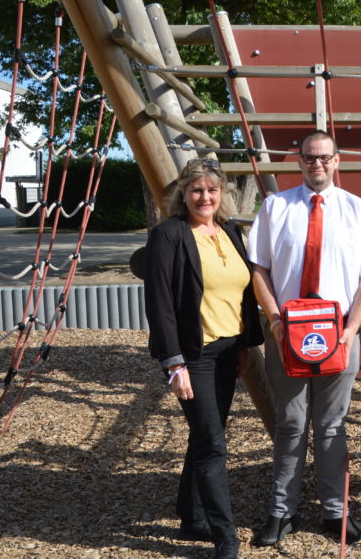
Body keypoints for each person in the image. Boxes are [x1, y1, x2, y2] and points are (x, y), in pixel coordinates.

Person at [248, 130, 361, 546]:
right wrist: (275, 322)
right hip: (286, 334)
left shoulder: (356, 211)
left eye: (325, 157)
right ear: (299, 161)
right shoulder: (275, 207)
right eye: (310, 158)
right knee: (290, 424)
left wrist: (351, 329)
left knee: (331, 425)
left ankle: (335, 511)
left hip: (340, 334)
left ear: (337, 160)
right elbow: (260, 272)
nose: (317, 165)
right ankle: (281, 511)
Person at [145, 158, 263, 559]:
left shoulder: (229, 231)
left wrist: (246, 345)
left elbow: (243, 294)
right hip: (194, 354)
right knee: (213, 444)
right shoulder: (169, 234)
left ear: (222, 193)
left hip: (229, 351)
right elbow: (159, 303)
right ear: (183, 193)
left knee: (205, 436)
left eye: (212, 190)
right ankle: (224, 536)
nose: (205, 197)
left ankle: (190, 516)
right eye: (196, 190)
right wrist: (173, 363)